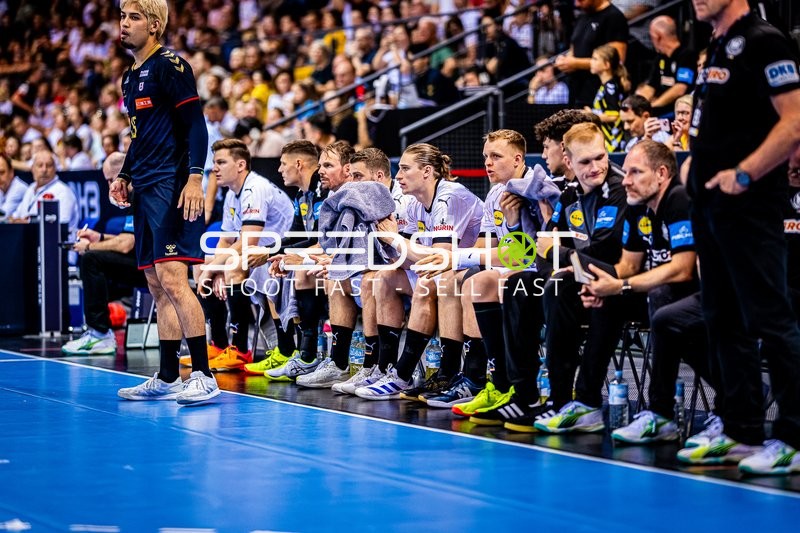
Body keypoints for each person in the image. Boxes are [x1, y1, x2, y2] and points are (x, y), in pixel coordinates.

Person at [681, 0, 800, 475]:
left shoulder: (765, 40)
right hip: (710, 207)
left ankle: (792, 435)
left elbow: (793, 120)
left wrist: (745, 175)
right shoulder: (713, 47)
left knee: (770, 319)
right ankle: (741, 430)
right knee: (721, 317)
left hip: (749, 206)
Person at [113, 0, 219, 405]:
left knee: (175, 278)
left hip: (172, 185)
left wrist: (195, 178)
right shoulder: (131, 76)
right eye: (122, 16)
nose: (124, 23)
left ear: (154, 25)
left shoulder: (170, 66)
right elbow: (140, 135)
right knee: (157, 284)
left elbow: (196, 126)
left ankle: (204, 375)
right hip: (145, 186)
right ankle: (169, 375)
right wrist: (124, 174)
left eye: (134, 17)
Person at [195, 138, 293, 371]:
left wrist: (215, 267)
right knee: (198, 263)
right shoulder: (232, 192)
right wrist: (214, 268)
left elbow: (248, 241)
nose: (214, 169)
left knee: (232, 265)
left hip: (278, 252)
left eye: (220, 162)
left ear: (240, 165)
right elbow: (226, 239)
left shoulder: (255, 188)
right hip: (257, 254)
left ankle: (241, 350)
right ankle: (219, 345)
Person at [62, 153, 146, 355]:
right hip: (145, 260)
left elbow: (126, 245)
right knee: (96, 258)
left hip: (155, 266)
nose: (109, 185)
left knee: (92, 259)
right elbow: (129, 238)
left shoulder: (138, 194)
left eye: (110, 179)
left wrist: (89, 247)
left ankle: (99, 334)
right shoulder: (133, 196)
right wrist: (98, 237)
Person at [555, 0, 628, 108]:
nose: (577, 4)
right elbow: (574, 47)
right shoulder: (582, 16)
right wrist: (565, 60)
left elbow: (618, 60)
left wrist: (575, 63)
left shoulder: (614, 17)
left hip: (599, 91)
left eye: (581, 0)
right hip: (576, 89)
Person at [636, 16, 698, 116]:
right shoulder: (660, 58)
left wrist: (654, 105)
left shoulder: (686, 55)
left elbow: (680, 88)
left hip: (680, 112)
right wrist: (637, 104)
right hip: (660, 111)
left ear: (658, 37)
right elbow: (651, 86)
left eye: (651, 37)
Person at [9, 150, 79, 234]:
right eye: (40, 165)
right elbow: (17, 215)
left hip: (57, 244)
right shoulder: (31, 188)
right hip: (30, 241)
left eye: (49, 165)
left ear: (55, 168)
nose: (44, 169)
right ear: (32, 169)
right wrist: (13, 220)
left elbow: (61, 226)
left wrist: (28, 223)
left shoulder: (63, 192)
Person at [587, 44, 628, 152]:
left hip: (613, 140)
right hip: (605, 137)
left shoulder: (611, 87)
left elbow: (613, 115)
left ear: (606, 65)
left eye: (595, 59)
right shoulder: (605, 86)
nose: (591, 62)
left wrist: (590, 115)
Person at [0, 153, 27, 217]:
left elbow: (3, 215)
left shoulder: (19, 188)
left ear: (11, 172)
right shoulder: (2, 187)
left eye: (2, 172)